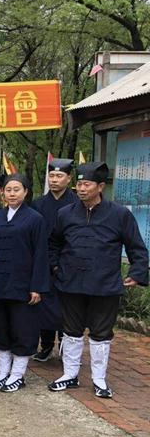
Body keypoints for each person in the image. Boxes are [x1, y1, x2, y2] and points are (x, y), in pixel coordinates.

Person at [47, 162, 148, 398]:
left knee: (101, 333)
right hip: (71, 282)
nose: (81, 189)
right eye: (79, 184)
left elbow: (136, 247)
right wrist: (56, 266)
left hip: (105, 284)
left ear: (100, 186)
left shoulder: (120, 214)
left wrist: (137, 273)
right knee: (71, 330)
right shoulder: (65, 213)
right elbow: (54, 243)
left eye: (87, 184)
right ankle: (69, 374)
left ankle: (99, 379)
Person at [0, 174, 50, 393]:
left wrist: (37, 286)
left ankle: (18, 374)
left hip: (23, 286)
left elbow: (41, 254)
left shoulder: (35, 219)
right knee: (1, 329)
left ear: (26, 192)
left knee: (23, 329)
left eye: (16, 189)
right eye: (8, 190)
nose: (12, 194)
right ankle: (3, 372)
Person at [30, 158, 77, 362]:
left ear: (69, 178)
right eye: (51, 176)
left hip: (68, 263)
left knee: (67, 307)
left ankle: (66, 347)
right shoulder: (38, 204)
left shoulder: (77, 203)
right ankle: (46, 344)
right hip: (43, 263)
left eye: (59, 176)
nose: (55, 180)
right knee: (44, 305)